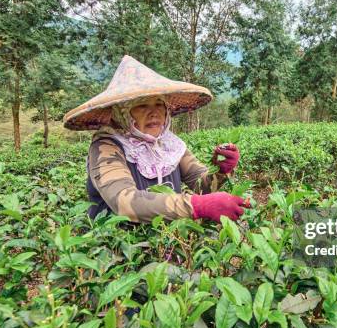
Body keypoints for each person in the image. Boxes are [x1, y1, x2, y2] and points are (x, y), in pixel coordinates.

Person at [63, 55, 249, 223]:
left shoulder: (169, 144)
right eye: (142, 106)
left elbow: (201, 185)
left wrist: (222, 171)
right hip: (121, 253)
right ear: (122, 113)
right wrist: (197, 206)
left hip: (166, 244)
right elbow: (124, 202)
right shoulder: (107, 146)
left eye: (159, 104)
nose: (154, 113)